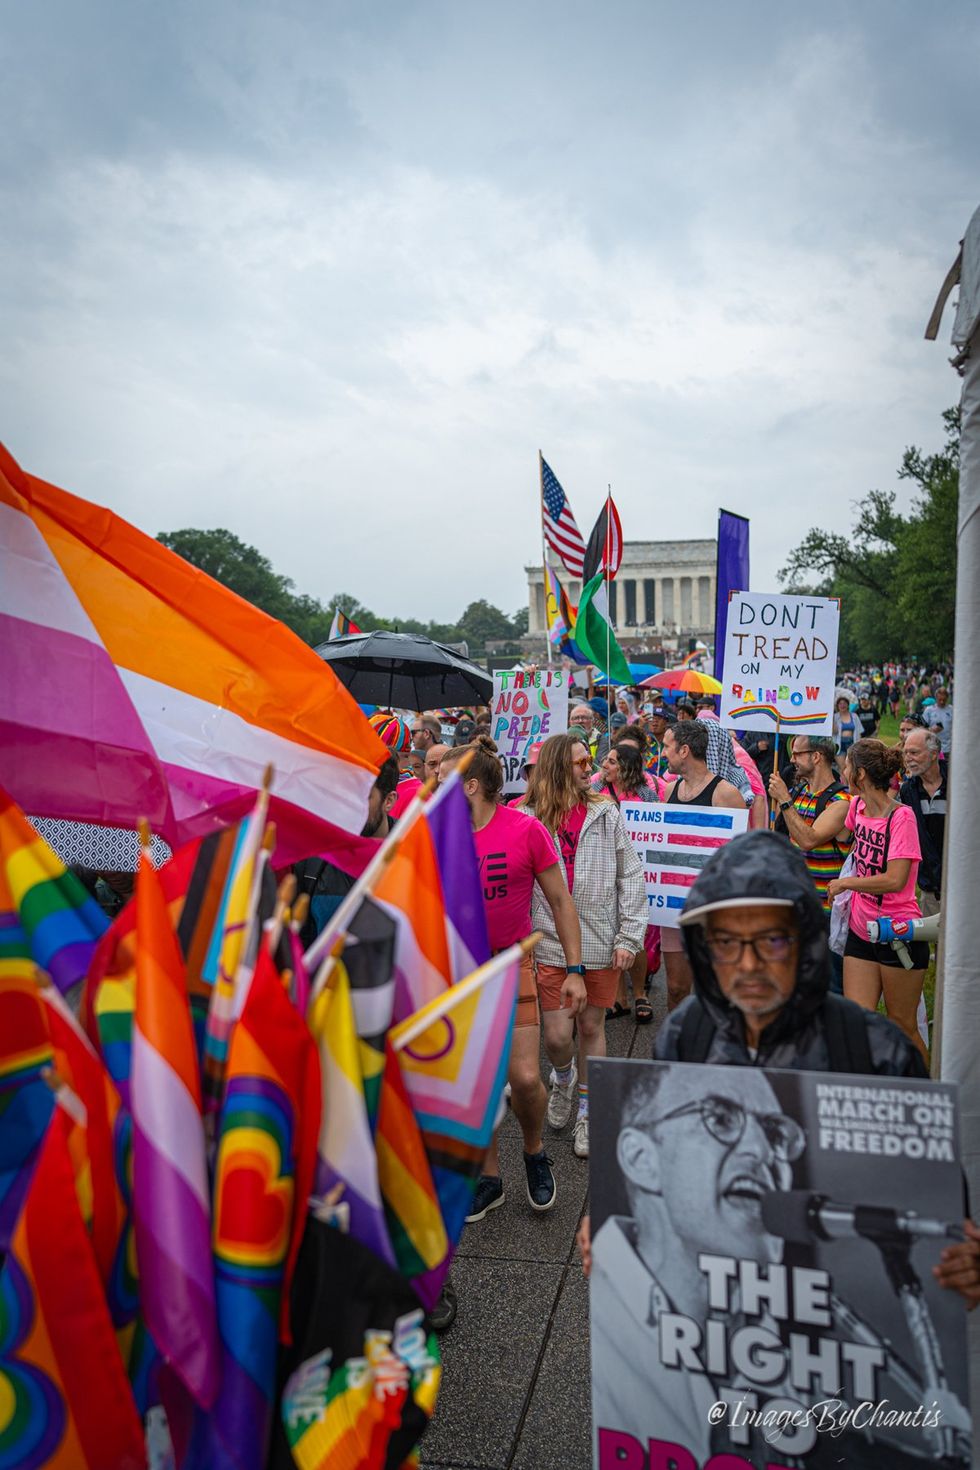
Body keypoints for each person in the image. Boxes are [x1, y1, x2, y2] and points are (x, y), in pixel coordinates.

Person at [440, 736, 584, 1222]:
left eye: (442, 779)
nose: (434, 788)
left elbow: (560, 901)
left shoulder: (525, 829)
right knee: (476, 1083)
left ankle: (534, 1151)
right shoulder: (437, 835)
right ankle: (489, 1177)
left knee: (523, 1078)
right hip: (459, 972)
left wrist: (575, 969)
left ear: (471, 785)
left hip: (512, 965)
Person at [526, 733, 646, 1159]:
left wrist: (629, 936)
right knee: (558, 1035)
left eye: (589, 760)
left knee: (592, 1027)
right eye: (580, 762)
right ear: (559, 766)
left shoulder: (605, 811)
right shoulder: (528, 817)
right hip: (550, 942)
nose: (589, 768)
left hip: (599, 941)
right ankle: (563, 1078)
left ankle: (588, 1111)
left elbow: (631, 874)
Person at [826, 740, 929, 1065]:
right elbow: (842, 837)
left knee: (902, 1025)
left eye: (846, 766)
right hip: (861, 931)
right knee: (856, 1022)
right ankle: (863, 1086)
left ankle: (924, 1088)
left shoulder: (902, 817)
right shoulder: (856, 807)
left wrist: (846, 883)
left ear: (860, 774)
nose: (842, 771)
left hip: (898, 933)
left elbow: (895, 879)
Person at [658, 719, 744, 1012]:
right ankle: (678, 1038)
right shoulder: (669, 791)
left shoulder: (726, 794)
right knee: (676, 988)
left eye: (666, 746)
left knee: (713, 990)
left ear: (684, 750)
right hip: (674, 908)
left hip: (711, 911)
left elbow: (738, 857)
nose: (663, 753)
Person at [768, 734, 851, 993]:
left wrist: (784, 800)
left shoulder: (841, 802)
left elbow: (808, 840)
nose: (791, 760)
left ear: (816, 757)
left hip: (825, 913)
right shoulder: (800, 793)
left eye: (797, 754)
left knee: (828, 991)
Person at [294, 755, 400, 942]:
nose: (348, 805)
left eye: (361, 796)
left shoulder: (415, 854)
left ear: (388, 801)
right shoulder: (313, 854)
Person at [901, 726, 947, 917]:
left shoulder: (959, 783)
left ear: (933, 754)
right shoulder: (908, 790)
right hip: (930, 889)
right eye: (905, 753)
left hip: (965, 884)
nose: (908, 758)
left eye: (914, 752)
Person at [923, 685, 953, 758]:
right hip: (933, 747)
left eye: (944, 700)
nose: (942, 702)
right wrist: (931, 730)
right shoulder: (929, 710)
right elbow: (921, 729)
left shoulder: (952, 710)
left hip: (948, 748)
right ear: (936, 698)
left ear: (947, 698)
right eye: (940, 699)